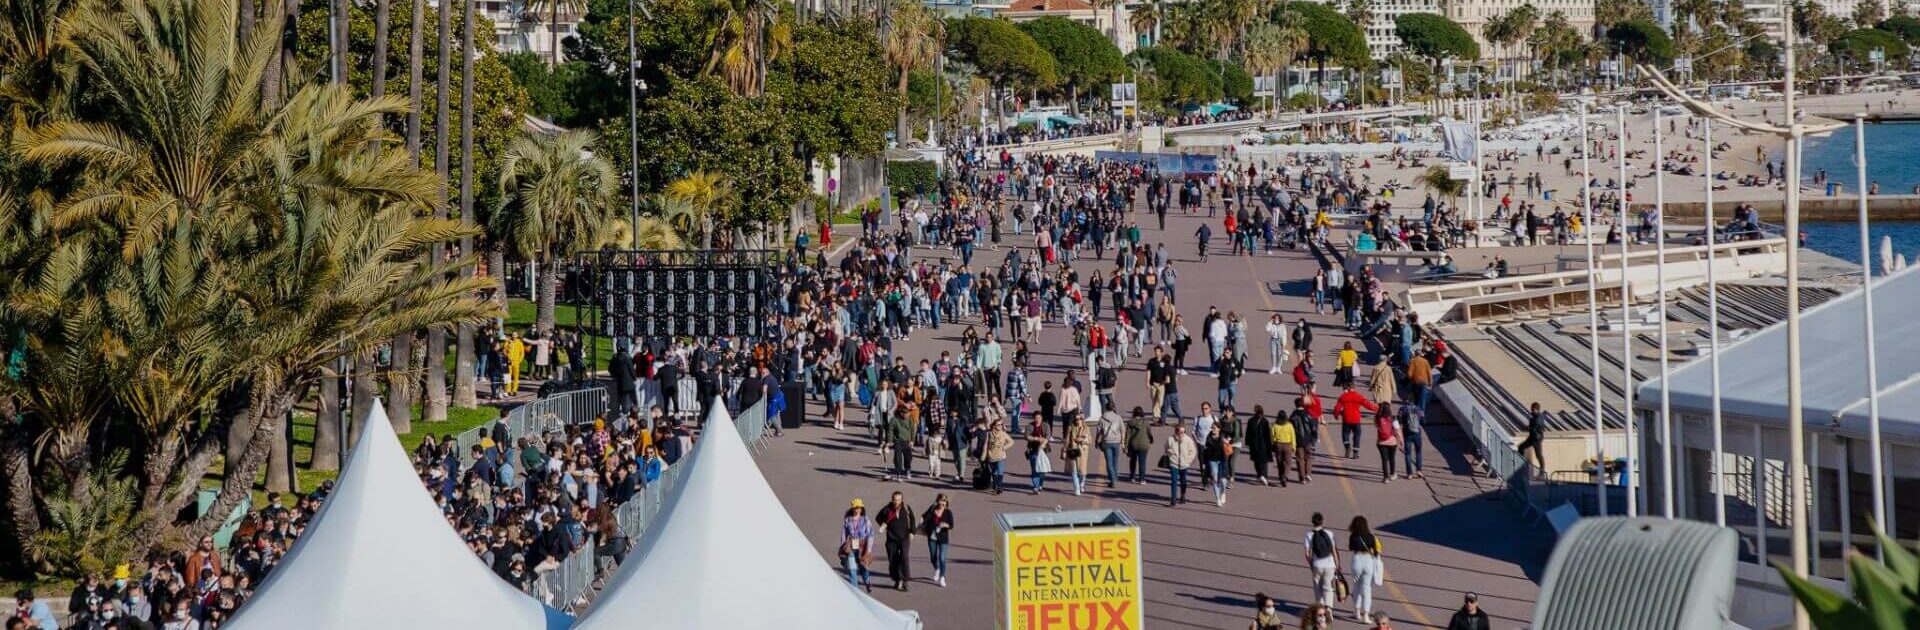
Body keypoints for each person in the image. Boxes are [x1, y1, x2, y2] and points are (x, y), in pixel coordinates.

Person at [874, 491, 917, 591]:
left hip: (904, 537)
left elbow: (912, 519)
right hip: (891, 538)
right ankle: (897, 580)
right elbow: (878, 518)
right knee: (893, 559)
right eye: (895, 500)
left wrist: (912, 532)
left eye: (899, 500)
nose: (897, 502)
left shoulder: (906, 508)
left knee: (904, 557)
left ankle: (905, 580)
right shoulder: (887, 509)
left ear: (902, 500)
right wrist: (884, 525)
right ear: (892, 499)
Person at [1349, 515, 1385, 622]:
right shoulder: (1370, 536)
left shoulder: (1353, 536)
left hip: (1357, 560)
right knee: (1367, 589)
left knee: (1356, 586)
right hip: (1368, 561)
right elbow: (1376, 551)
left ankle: (1356, 611)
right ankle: (1366, 615)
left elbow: (1351, 548)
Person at [1303, 512, 1340, 609]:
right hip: (1330, 564)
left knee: (1317, 588)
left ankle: (1320, 608)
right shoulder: (1329, 533)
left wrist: (1311, 565)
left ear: (1312, 522)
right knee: (1329, 588)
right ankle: (1329, 609)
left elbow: (1307, 553)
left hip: (1317, 564)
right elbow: (1333, 550)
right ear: (1322, 521)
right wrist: (1337, 564)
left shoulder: (1309, 535)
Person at [1333, 384, 1378, 459]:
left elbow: (1337, 408)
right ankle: (1355, 452)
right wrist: (1378, 409)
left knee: (1345, 434)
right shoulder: (1358, 396)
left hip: (1346, 419)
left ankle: (1347, 447)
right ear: (1354, 388)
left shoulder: (1343, 396)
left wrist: (1336, 415)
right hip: (1356, 420)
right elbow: (1368, 405)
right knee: (1357, 435)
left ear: (1348, 388)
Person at [840, 500, 876, 592]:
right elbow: (843, 534)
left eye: (860, 507)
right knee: (852, 570)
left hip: (862, 545)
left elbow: (870, 534)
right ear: (852, 508)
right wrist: (843, 547)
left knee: (861, 566)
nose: (858, 509)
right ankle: (856, 592)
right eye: (856, 507)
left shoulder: (866, 520)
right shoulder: (847, 520)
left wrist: (868, 550)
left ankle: (867, 580)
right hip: (852, 545)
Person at [921, 494, 956, 588]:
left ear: (946, 502)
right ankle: (937, 569)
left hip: (943, 538)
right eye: (941, 501)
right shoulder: (932, 509)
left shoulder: (948, 512)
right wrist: (922, 521)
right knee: (933, 557)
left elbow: (951, 525)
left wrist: (945, 525)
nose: (942, 503)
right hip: (932, 537)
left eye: (944, 501)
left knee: (942, 558)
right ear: (937, 501)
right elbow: (924, 516)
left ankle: (942, 577)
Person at [1164, 422, 1198, 506]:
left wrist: (1188, 460)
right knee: (1174, 481)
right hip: (1174, 463)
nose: (1182, 434)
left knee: (1183, 481)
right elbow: (1166, 447)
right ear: (1176, 431)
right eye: (1180, 432)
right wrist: (1169, 451)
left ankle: (1183, 496)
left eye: (1183, 432)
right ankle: (1173, 500)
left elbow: (1193, 451)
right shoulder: (1170, 439)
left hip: (1184, 464)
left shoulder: (1188, 439)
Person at [1202, 424, 1230, 507]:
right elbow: (1205, 451)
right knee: (1214, 479)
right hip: (1212, 460)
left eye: (1214, 428)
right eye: (1212, 428)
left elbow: (1228, 450)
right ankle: (1217, 499)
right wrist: (1204, 462)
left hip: (1222, 461)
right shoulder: (1208, 438)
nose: (1213, 429)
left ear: (1219, 429)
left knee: (1223, 481)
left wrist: (1227, 442)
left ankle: (1223, 492)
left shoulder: (1222, 437)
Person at [1125, 407, 1155, 483]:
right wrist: (1151, 439)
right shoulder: (1146, 422)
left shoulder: (1130, 423)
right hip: (1143, 444)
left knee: (1133, 461)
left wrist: (1125, 445)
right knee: (1142, 462)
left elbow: (1128, 435)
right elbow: (1149, 432)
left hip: (1133, 444)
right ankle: (1142, 479)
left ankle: (1132, 477)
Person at [1066, 414, 1093, 496]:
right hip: (1073, 451)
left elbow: (1090, 440)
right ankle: (1077, 488)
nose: (1078, 421)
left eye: (1080, 419)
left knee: (1082, 472)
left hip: (1083, 452)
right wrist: (1064, 449)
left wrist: (1082, 440)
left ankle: (1081, 484)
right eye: (1076, 419)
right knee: (1074, 471)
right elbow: (1067, 440)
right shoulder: (1071, 428)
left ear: (1082, 420)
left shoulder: (1086, 428)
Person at [1518, 402, 1547, 476]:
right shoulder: (1538, 416)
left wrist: (1528, 428)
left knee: (1538, 454)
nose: (1531, 411)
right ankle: (1522, 465)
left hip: (1535, 438)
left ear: (1536, 409)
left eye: (1532, 409)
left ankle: (1541, 472)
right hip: (1534, 438)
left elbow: (1535, 428)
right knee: (1522, 448)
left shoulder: (1537, 418)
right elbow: (1539, 427)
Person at [1097, 409, 1125, 487]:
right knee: (1115, 461)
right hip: (1116, 442)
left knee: (1109, 462)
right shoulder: (1118, 417)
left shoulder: (1102, 418)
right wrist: (1122, 441)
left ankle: (1112, 480)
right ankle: (1114, 477)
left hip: (1106, 441)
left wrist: (1096, 440)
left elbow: (1099, 431)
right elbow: (1123, 430)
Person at [1246, 407, 1273, 486]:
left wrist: (1248, 442)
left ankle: (1261, 475)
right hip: (1261, 444)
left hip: (1256, 444)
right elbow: (1267, 435)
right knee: (1262, 461)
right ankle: (1262, 475)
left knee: (1258, 461)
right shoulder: (1263, 421)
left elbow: (1248, 433)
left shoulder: (1252, 421)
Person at [984, 420, 1013, 494]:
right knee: (994, 472)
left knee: (1000, 472)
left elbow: (1011, 441)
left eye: (1001, 424)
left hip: (1001, 456)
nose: (1000, 426)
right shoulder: (989, 434)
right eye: (998, 425)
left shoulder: (1003, 434)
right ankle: (995, 487)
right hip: (991, 456)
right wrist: (983, 456)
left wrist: (1004, 447)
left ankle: (999, 488)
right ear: (994, 426)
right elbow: (985, 445)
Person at [1025, 415, 1051, 494]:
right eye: (1036, 418)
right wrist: (1036, 439)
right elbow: (1026, 436)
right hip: (1033, 450)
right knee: (1034, 469)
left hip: (1043, 450)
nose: (1037, 420)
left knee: (1042, 470)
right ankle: (1035, 487)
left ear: (1041, 418)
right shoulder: (1030, 426)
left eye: (1039, 418)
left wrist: (1043, 443)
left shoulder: (1046, 425)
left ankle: (1040, 484)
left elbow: (1048, 436)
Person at [1375, 402, 1400, 483]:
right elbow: (1398, 430)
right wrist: (1401, 440)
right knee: (1392, 458)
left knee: (1384, 460)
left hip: (1381, 442)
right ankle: (1393, 474)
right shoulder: (1393, 418)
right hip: (1392, 442)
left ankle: (1385, 478)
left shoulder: (1377, 418)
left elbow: (1376, 426)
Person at [1400, 404, 1425, 480]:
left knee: (1408, 454)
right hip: (1417, 433)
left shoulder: (1403, 409)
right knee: (1418, 452)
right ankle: (1419, 470)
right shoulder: (1418, 409)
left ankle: (1409, 474)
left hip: (1407, 433)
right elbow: (1423, 421)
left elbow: (1400, 421)